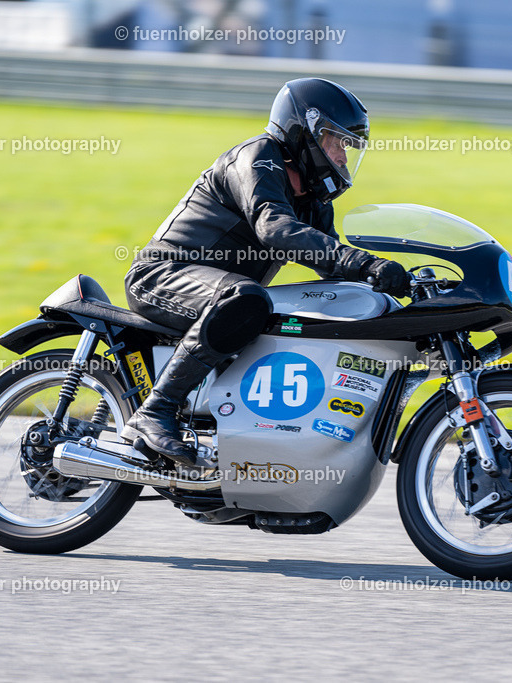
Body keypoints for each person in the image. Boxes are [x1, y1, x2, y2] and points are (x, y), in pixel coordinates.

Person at [120, 77, 409, 467]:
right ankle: (155, 411)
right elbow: (276, 229)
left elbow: (335, 271)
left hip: (221, 296)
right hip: (161, 277)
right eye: (337, 142)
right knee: (246, 298)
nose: (342, 156)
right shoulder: (257, 158)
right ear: (306, 131)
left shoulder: (314, 201)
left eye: (348, 146)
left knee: (288, 313)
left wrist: (400, 288)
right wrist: (366, 262)